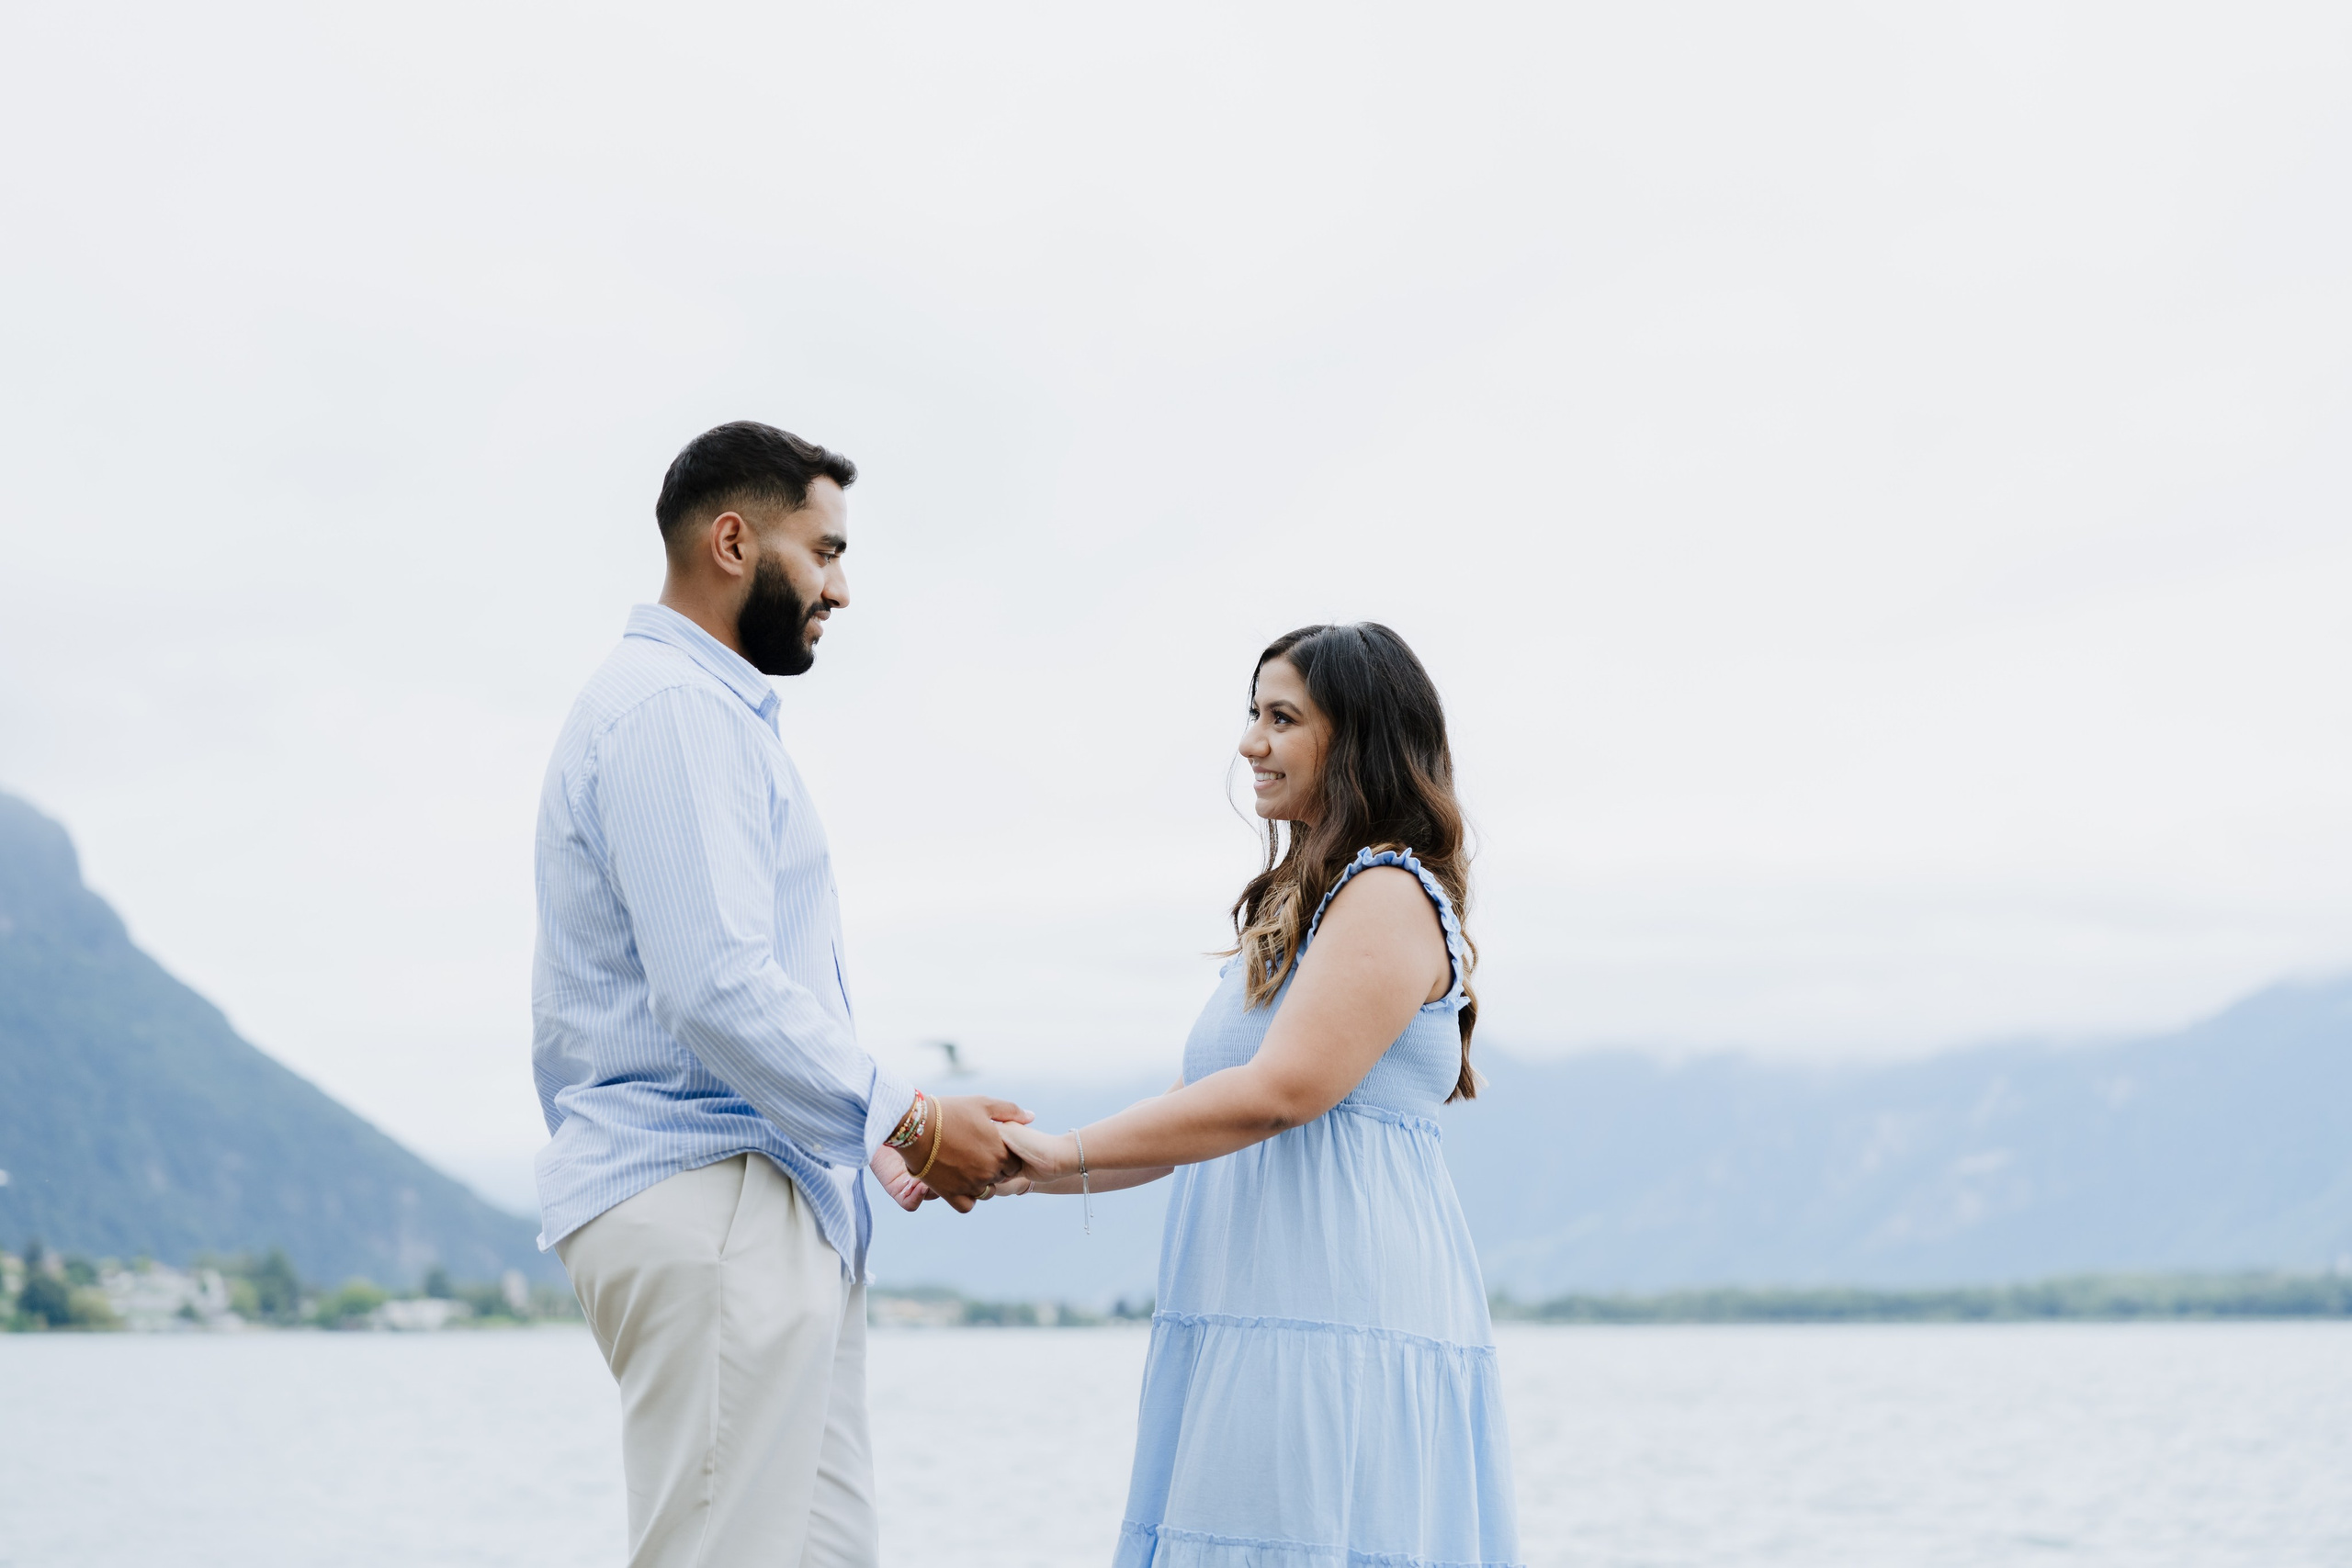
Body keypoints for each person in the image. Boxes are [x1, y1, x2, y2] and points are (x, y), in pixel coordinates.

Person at [530, 421, 1026, 1567]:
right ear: (735, 540)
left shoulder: (697, 714)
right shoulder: (672, 712)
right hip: (712, 1199)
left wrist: (868, 1136)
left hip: (764, 1196)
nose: (841, 590)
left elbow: (730, 993)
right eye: (825, 551)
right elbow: (714, 987)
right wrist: (906, 1116)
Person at [999, 622, 1521, 1568]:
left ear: (1355, 740)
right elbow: (1189, 1118)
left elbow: (1280, 1093)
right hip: (1256, 1308)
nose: (1249, 743)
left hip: (1331, 1315)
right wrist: (1022, 1166)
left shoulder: (1387, 893)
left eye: (1281, 718)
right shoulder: (1300, 905)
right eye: (1252, 714)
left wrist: (1064, 1151)